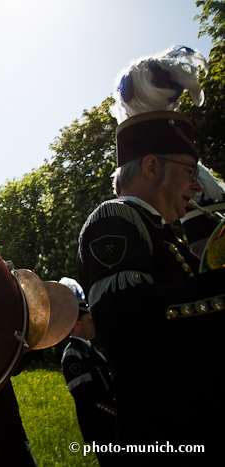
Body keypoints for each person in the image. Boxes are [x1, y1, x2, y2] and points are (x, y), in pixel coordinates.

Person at [76, 46, 224, 462]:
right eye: (189, 172)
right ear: (153, 167)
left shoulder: (164, 236)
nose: (197, 187)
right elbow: (128, 324)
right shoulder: (114, 218)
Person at [61, 302, 117, 462]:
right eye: (90, 320)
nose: (94, 324)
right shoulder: (73, 354)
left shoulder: (91, 350)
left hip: (110, 423)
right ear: (77, 323)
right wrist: (114, 411)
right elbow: (85, 396)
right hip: (100, 425)